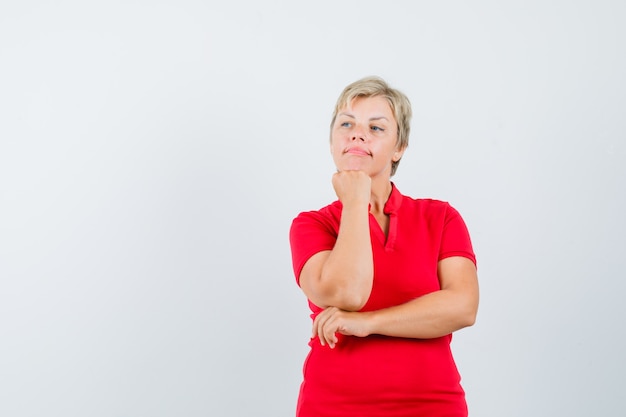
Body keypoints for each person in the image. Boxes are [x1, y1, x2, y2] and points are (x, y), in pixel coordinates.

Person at [289, 76, 479, 417]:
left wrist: (367, 323)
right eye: (346, 123)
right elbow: (347, 294)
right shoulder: (312, 225)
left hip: (432, 404)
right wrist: (355, 202)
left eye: (376, 128)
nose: (357, 134)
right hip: (334, 405)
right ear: (333, 141)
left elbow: (462, 307)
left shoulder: (441, 218)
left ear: (399, 148)